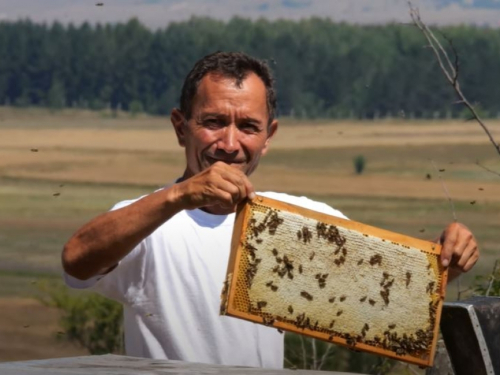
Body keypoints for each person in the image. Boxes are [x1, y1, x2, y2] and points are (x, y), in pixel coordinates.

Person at [62, 51, 479, 369]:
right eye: (212, 122)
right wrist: (180, 196)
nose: (229, 143)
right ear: (179, 126)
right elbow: (76, 261)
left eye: (247, 127)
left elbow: (392, 298)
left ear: (269, 136)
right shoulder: (149, 217)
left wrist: (445, 262)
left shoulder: (298, 219)